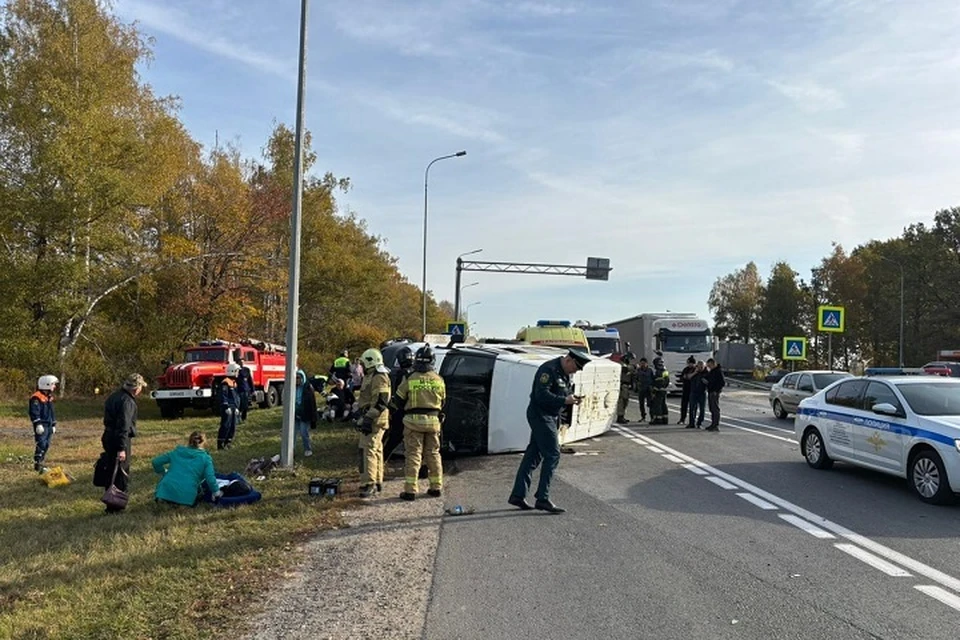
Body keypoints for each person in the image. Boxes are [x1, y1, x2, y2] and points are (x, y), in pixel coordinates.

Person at [508, 349, 590, 514]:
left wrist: (572, 398)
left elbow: (562, 392)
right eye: (575, 367)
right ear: (568, 360)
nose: (576, 371)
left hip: (550, 416)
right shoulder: (548, 370)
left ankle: (518, 495)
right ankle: (542, 498)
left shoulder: (565, 373)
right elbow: (541, 395)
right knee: (553, 454)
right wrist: (563, 400)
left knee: (533, 455)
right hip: (541, 415)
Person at [392, 345, 446, 501]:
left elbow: (399, 399)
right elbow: (443, 402)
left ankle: (410, 491)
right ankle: (436, 487)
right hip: (433, 423)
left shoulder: (411, 378)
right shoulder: (439, 379)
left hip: (413, 423)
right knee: (434, 454)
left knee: (413, 455)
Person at [101, 373, 147, 513]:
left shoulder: (114, 396)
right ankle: (117, 505)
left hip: (108, 436)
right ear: (136, 388)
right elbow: (124, 426)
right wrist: (121, 448)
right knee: (121, 472)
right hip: (119, 439)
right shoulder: (127, 402)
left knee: (111, 470)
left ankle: (110, 503)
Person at [355, 348, 391, 498]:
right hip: (374, 417)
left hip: (375, 419)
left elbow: (382, 401)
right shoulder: (372, 375)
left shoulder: (379, 377)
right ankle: (376, 481)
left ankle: (369, 484)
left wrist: (368, 418)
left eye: (363, 363)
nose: (361, 366)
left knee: (367, 450)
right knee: (376, 450)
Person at [152, 431, 221, 506]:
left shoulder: (176, 452)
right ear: (204, 443)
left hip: (164, 492)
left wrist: (164, 472)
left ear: (189, 441)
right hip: (186, 496)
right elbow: (210, 477)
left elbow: (156, 462)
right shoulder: (206, 458)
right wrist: (216, 492)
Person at [385, 346, 415, 460]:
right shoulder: (416, 374)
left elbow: (398, 395)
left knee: (394, 438)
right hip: (413, 410)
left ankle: (383, 459)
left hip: (401, 410)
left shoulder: (399, 374)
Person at [29, 375, 59, 472]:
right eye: (53, 384)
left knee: (46, 444)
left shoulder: (48, 397)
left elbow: (52, 411)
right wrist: (37, 423)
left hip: (49, 424)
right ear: (47, 384)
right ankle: (38, 463)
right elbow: (34, 411)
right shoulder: (36, 397)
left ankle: (42, 461)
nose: (54, 386)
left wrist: (53, 424)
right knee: (41, 443)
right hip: (42, 425)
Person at [217, 364, 241, 450]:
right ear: (232, 371)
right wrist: (226, 406)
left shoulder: (234, 383)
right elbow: (223, 395)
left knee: (233, 425)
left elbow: (236, 397)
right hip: (228, 408)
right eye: (237, 371)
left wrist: (237, 407)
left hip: (234, 407)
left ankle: (228, 442)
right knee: (226, 425)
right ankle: (221, 443)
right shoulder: (225, 382)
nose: (238, 373)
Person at [294, 369, 317, 456]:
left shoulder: (308, 388)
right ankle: (291, 451)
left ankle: (307, 449)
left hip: (305, 414)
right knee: (292, 434)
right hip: (295, 414)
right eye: (295, 378)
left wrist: (313, 418)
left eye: (299, 378)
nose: (297, 380)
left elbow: (312, 404)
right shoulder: (292, 388)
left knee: (304, 433)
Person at [705, 358, 726, 431]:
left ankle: (715, 425)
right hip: (710, 391)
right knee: (711, 408)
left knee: (715, 409)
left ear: (713, 364)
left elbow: (722, 383)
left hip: (715, 392)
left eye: (710, 366)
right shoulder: (712, 371)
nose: (709, 367)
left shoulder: (718, 371)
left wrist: (716, 390)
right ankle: (713, 423)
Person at [616, 353, 635, 424]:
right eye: (630, 359)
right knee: (621, 401)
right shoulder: (622, 365)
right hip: (622, 385)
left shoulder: (626, 365)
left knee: (625, 401)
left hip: (627, 386)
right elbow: (626, 369)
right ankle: (620, 416)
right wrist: (633, 367)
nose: (631, 361)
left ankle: (622, 415)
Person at [650, 357, 670, 425]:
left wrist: (654, 390)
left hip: (658, 390)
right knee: (663, 404)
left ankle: (658, 419)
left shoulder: (658, 371)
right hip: (664, 390)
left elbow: (657, 381)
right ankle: (665, 419)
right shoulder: (665, 370)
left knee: (657, 405)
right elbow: (667, 380)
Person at [687, 360, 708, 428]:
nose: (700, 368)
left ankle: (699, 422)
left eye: (702, 367)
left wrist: (706, 382)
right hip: (693, 392)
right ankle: (691, 423)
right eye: (699, 367)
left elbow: (709, 382)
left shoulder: (707, 373)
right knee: (692, 408)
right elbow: (688, 377)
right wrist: (694, 373)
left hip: (702, 392)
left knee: (702, 409)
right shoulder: (694, 371)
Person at [634, 357, 654, 423]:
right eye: (641, 363)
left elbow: (649, 376)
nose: (642, 365)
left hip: (648, 389)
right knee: (641, 404)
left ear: (646, 364)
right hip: (641, 388)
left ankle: (652, 417)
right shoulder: (638, 370)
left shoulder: (649, 370)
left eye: (644, 363)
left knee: (650, 404)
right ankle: (643, 417)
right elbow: (636, 378)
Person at [678, 356, 697, 425]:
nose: (689, 364)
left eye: (690, 363)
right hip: (686, 389)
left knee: (693, 406)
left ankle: (692, 420)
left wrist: (688, 376)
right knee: (684, 405)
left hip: (693, 390)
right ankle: (682, 419)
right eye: (688, 363)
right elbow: (683, 377)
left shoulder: (696, 370)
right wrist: (686, 377)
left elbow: (689, 377)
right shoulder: (686, 369)